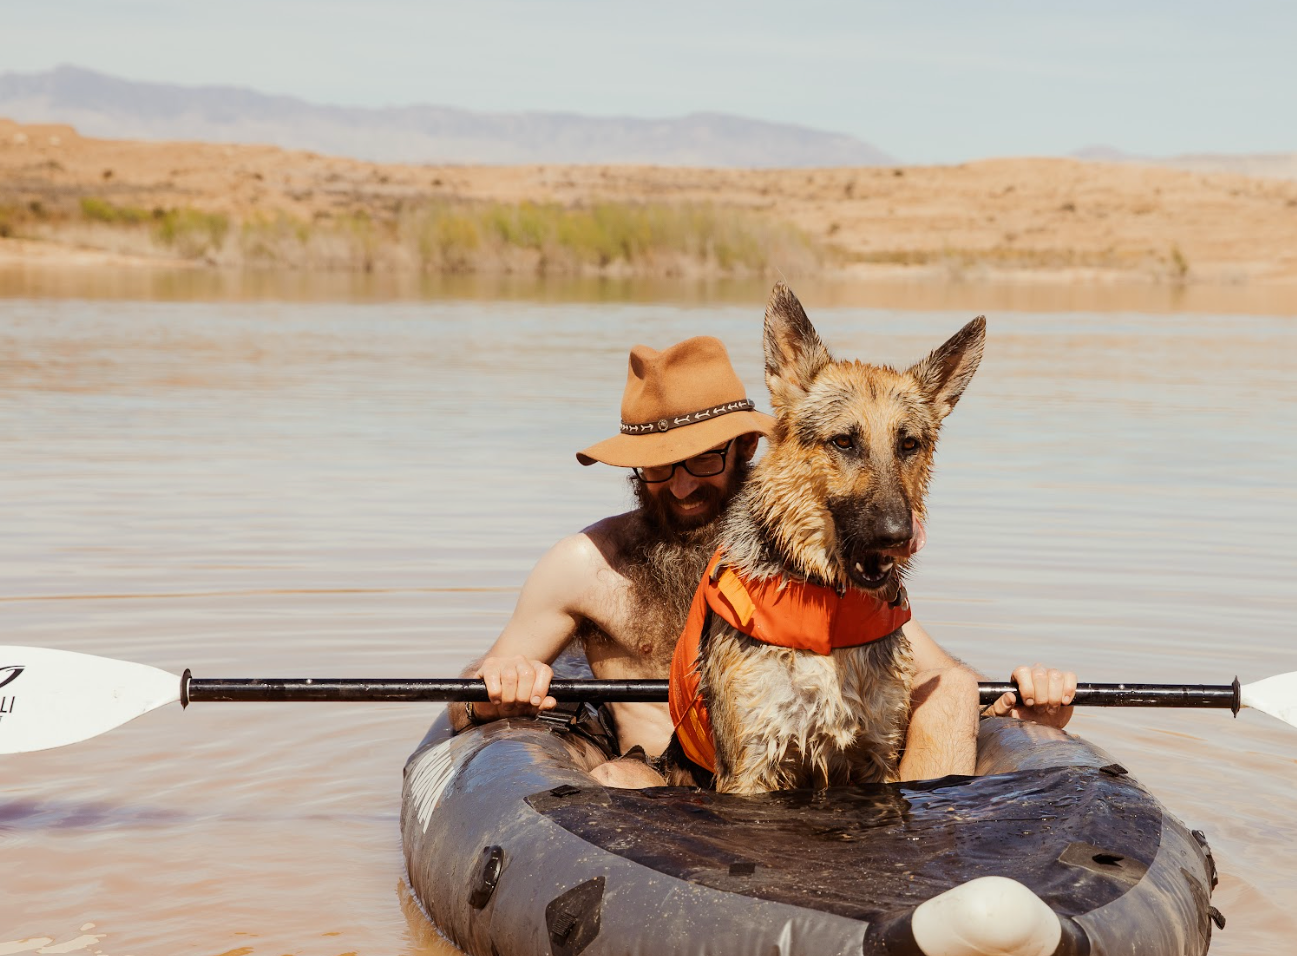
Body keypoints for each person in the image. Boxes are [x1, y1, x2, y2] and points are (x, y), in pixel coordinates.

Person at [452, 334, 1077, 787]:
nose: (681, 485)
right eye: (658, 466)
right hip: (665, 780)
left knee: (954, 691)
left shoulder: (812, 544)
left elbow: (930, 667)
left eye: (703, 459)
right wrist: (494, 686)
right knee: (617, 780)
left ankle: (924, 874)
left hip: (825, 776)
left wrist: (1021, 709)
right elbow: (462, 701)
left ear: (746, 447)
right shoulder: (586, 565)